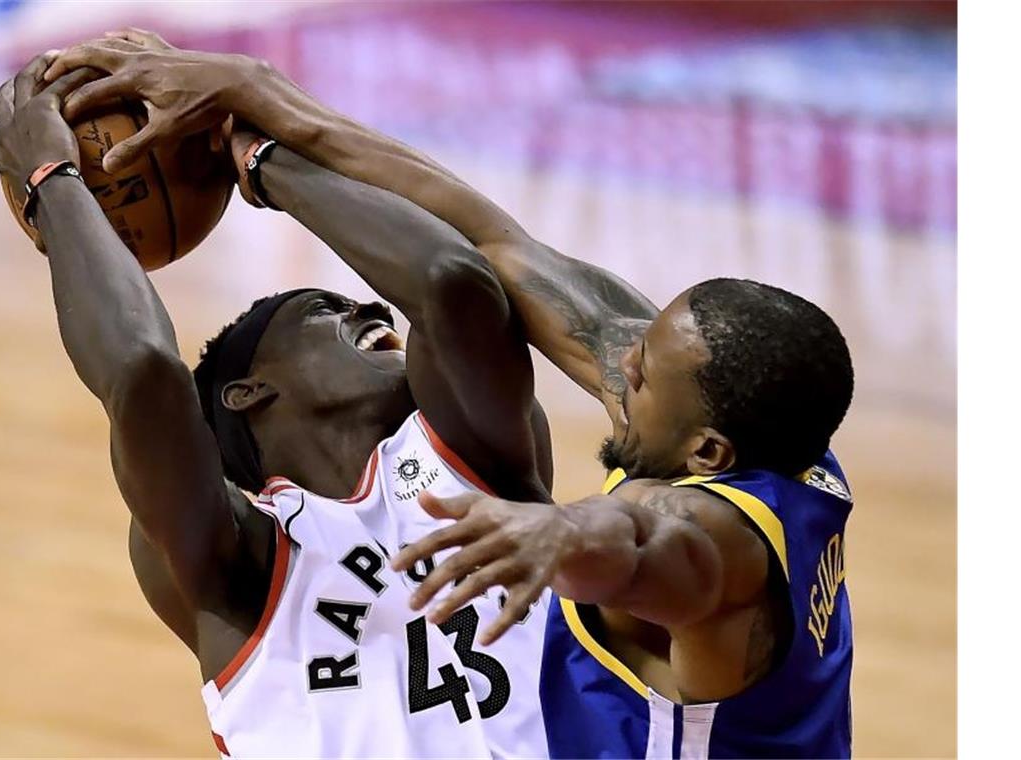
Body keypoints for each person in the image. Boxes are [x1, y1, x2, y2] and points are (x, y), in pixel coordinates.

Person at [45, 30, 856, 757]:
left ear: (708, 454)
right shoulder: (753, 418)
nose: (617, 368)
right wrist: (253, 101)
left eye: (638, 377)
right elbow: (490, 239)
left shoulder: (719, 533)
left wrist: (560, 534)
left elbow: (648, 544)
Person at [0, 51, 556, 759]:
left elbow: (447, 282)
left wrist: (253, 150)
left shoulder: (478, 460)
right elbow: (140, 371)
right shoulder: (236, 568)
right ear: (248, 391)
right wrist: (54, 179)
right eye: (330, 308)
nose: (374, 305)